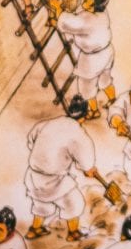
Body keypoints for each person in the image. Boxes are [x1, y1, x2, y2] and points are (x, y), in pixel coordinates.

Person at [24, 95, 103, 241]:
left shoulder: (49, 123)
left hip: (34, 174)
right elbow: (87, 165)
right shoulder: (78, 134)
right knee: (73, 202)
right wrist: (89, 169)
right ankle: (73, 233)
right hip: (54, 178)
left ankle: (34, 229)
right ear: (85, 114)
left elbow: (31, 140)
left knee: (41, 202)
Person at [55, 0, 116, 119]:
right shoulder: (102, 13)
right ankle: (113, 99)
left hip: (92, 59)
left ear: (93, 7)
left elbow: (66, 22)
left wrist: (57, 8)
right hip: (106, 52)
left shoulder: (87, 20)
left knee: (86, 88)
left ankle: (94, 111)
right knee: (105, 79)